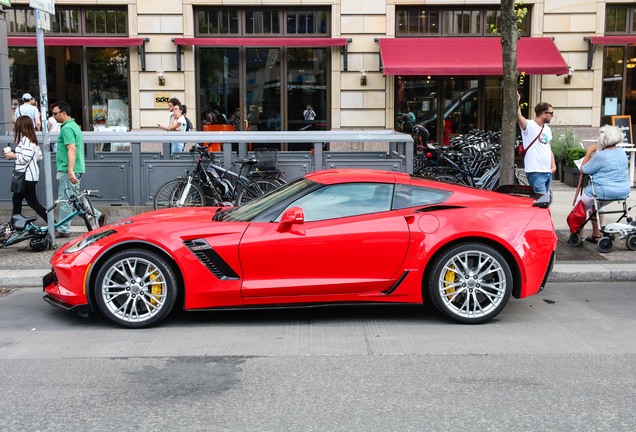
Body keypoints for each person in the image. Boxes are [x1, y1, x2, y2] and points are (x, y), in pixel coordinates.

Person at [50, 101, 104, 238]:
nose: (53, 116)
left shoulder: (67, 128)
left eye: (55, 113)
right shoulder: (73, 126)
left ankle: (63, 229)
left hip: (68, 168)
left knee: (66, 199)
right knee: (75, 198)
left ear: (64, 113)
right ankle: (97, 215)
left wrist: (69, 170)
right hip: (76, 167)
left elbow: (72, 149)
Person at [576, 125, 631, 243]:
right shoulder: (622, 153)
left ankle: (578, 234)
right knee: (597, 204)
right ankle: (596, 233)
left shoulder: (601, 156)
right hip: (622, 190)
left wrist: (589, 152)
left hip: (603, 191)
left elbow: (584, 169)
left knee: (580, 203)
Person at [4, 116, 48, 222]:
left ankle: (52, 223)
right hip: (29, 176)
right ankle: (16, 223)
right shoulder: (31, 139)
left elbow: (25, 158)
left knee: (32, 202)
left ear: (21, 126)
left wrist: (12, 155)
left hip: (26, 176)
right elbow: (39, 156)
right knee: (17, 199)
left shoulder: (26, 140)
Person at [516, 94, 556, 194]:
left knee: (543, 201)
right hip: (535, 171)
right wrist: (517, 102)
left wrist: (553, 166)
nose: (552, 115)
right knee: (542, 200)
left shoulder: (547, 129)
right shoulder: (529, 125)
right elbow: (519, 117)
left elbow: (548, 147)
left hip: (547, 171)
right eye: (551, 113)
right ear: (543, 114)